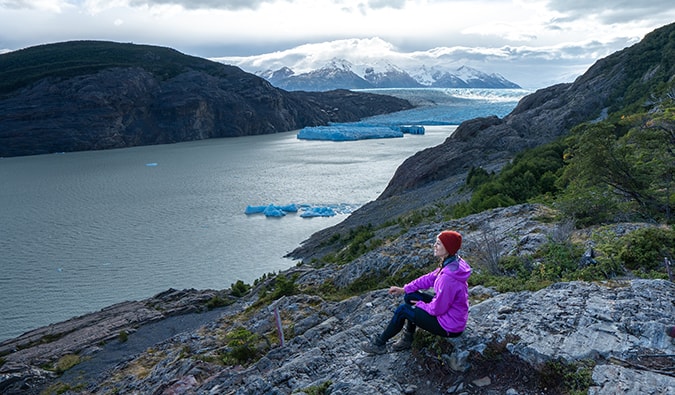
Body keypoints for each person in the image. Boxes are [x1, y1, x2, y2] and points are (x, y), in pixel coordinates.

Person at [361, 230, 472, 354]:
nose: (434, 245)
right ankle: (408, 338)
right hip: (449, 315)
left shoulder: (448, 278)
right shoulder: (452, 263)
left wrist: (421, 305)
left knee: (403, 309)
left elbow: (438, 309)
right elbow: (430, 278)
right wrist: (404, 289)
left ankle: (379, 344)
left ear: (448, 248)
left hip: (449, 326)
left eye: (439, 244)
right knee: (410, 296)